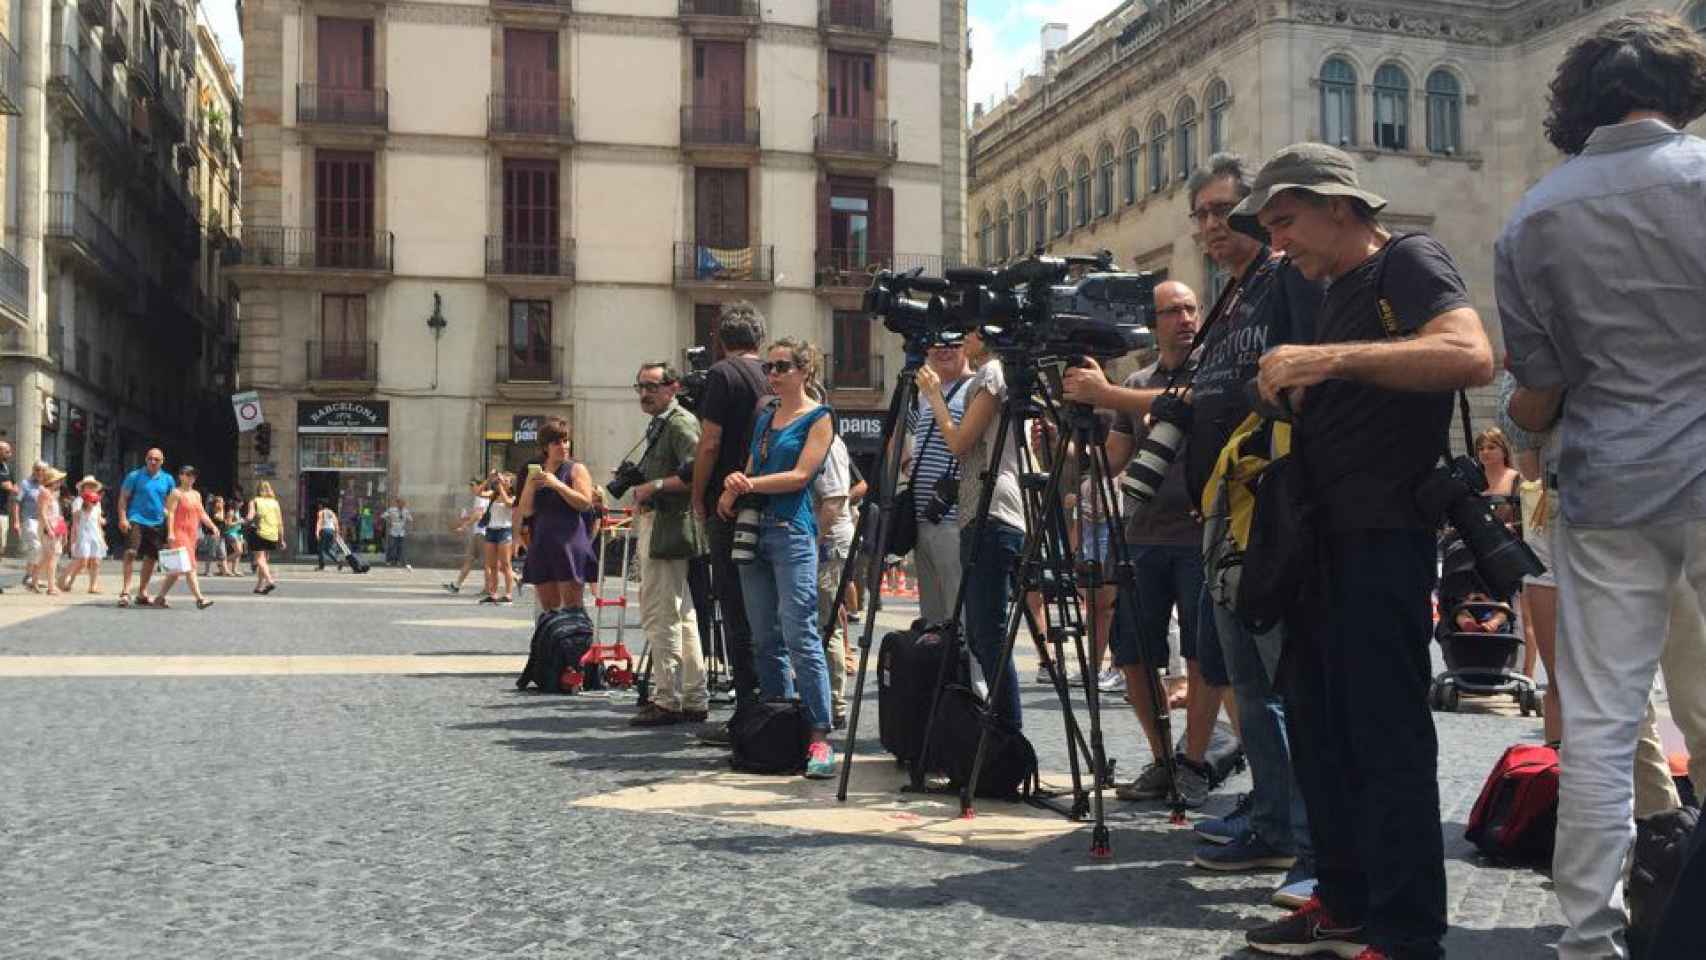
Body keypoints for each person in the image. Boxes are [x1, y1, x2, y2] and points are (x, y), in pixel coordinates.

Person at [1230, 143, 1493, 960]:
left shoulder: (1408, 259)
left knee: (1386, 732)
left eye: (1285, 221)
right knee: (1319, 728)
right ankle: (1342, 902)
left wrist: (1330, 359)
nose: (1277, 244)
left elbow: (1470, 354)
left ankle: (1407, 930)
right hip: (1320, 537)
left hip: (1383, 533)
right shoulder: (1327, 290)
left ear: (1339, 205)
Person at [1496, 15, 1706, 957]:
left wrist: (1527, 421)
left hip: (1610, 485)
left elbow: (1536, 395)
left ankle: (1586, 934)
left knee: (1603, 717)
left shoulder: (1534, 214)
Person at [717, 338, 837, 778]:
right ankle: (779, 726)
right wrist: (735, 483)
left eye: (782, 366)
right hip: (755, 533)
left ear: (805, 371)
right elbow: (753, 466)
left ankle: (820, 736)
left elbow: (802, 476)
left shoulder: (820, 418)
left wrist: (747, 485)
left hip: (791, 531)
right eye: (769, 367)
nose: (773, 374)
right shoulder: (765, 418)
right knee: (764, 637)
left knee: (800, 632)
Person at [917, 327, 1026, 729]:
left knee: (988, 634)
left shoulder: (992, 372)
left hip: (991, 510)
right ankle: (999, 729)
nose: (957, 340)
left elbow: (961, 443)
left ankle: (1004, 732)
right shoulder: (995, 372)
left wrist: (933, 396)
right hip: (981, 512)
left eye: (965, 332)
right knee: (982, 633)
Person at [690, 302, 772, 725]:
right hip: (772, 501)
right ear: (759, 338)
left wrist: (699, 494)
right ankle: (776, 700)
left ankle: (748, 712)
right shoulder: (775, 374)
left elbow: (709, 443)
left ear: (721, 342)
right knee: (768, 606)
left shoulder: (722, 375)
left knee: (736, 606)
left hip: (730, 503)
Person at [626, 363, 710, 727]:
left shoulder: (679, 423)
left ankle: (667, 699)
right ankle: (693, 695)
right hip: (663, 524)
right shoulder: (662, 422)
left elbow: (697, 471)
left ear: (672, 387)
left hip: (668, 526)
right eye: (639, 386)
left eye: (651, 386)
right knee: (682, 613)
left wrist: (653, 487)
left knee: (661, 613)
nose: (644, 393)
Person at [903, 332, 975, 624]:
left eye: (953, 344)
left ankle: (970, 671)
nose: (944, 351)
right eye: (936, 344)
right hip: (923, 516)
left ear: (966, 346)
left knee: (961, 613)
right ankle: (937, 669)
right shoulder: (922, 393)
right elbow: (907, 433)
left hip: (955, 517)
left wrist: (934, 396)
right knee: (932, 617)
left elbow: (965, 446)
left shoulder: (975, 389)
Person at [518, 418, 599, 614]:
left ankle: (575, 644)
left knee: (572, 607)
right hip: (543, 542)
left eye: (566, 441)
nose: (563, 446)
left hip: (569, 542)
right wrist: (530, 485)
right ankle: (550, 644)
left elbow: (585, 503)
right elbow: (526, 511)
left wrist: (558, 485)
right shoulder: (535, 469)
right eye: (557, 442)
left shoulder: (576, 469)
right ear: (546, 447)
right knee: (549, 609)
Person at [813, 431, 857, 727]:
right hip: (829, 540)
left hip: (827, 542)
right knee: (830, 620)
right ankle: (830, 699)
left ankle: (834, 702)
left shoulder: (825, 440)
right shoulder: (827, 439)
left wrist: (811, 540)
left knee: (826, 624)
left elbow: (834, 500)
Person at [156, 465, 220, 610]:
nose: (191, 478)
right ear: (181, 476)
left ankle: (160, 598)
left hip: (192, 534)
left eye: (193, 475)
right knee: (190, 567)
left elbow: (202, 513)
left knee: (175, 572)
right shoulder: (176, 493)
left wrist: (212, 526)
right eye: (188, 474)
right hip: (179, 533)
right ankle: (199, 599)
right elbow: (171, 513)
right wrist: (170, 532)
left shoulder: (196, 494)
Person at [117, 448, 175, 608]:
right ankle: (126, 591)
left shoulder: (168, 479)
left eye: (156, 459)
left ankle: (142, 592)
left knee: (151, 557)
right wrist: (122, 518)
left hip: (157, 522)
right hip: (136, 518)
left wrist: (171, 524)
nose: (153, 461)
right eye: (150, 458)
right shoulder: (134, 476)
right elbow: (123, 498)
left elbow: (171, 504)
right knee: (130, 553)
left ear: (162, 461)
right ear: (145, 459)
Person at [56, 476, 107, 593]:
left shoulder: (97, 502)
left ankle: (93, 585)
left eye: (93, 486)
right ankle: (65, 579)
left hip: (95, 534)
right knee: (81, 560)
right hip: (83, 534)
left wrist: (102, 537)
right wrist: (72, 538)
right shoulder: (78, 501)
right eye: (88, 486)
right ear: (83, 488)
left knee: (96, 560)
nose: (90, 488)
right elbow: (75, 521)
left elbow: (98, 521)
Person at [444, 478, 491, 595]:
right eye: (470, 485)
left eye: (473, 485)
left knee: (487, 563)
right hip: (478, 532)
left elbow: (478, 515)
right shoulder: (482, 497)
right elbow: (478, 514)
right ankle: (456, 585)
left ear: (480, 485)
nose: (471, 488)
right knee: (470, 559)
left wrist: (464, 525)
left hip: (482, 533)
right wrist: (467, 517)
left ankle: (489, 588)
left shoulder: (481, 498)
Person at [478, 473, 517, 604]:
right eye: (502, 479)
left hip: (504, 531)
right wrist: (489, 479)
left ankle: (508, 594)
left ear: (511, 484)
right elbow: (478, 493)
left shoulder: (513, 497)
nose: (503, 481)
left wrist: (500, 487)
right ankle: (493, 593)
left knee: (506, 564)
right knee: (492, 565)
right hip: (491, 530)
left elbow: (507, 503)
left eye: (506, 480)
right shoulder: (493, 494)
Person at [1474, 428, 1522, 527]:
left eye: (1491, 447)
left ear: (1504, 451)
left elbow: (1528, 518)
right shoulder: (1470, 480)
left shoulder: (1517, 479)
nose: (1485, 452)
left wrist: (1512, 526)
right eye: (1481, 449)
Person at [30, 468, 67, 594]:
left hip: (54, 526)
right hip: (49, 528)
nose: (60, 482)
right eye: (58, 480)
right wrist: (49, 528)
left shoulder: (51, 493)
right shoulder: (45, 493)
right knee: (52, 557)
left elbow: (53, 513)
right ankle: (51, 586)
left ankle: (34, 578)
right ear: (53, 481)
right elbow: (42, 513)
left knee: (47, 557)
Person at [245, 481, 284, 595]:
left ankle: (270, 580)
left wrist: (244, 520)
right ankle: (259, 586)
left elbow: (250, 516)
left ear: (257, 490)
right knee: (264, 561)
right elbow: (280, 523)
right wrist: (281, 540)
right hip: (272, 534)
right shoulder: (275, 503)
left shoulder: (254, 501)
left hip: (259, 532)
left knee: (259, 559)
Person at [18, 460, 44, 589]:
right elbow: (17, 501)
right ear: (33, 470)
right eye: (37, 469)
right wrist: (17, 521)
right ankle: (29, 575)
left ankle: (33, 576)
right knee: (35, 546)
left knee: (41, 549)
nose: (40, 472)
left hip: (43, 520)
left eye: (42, 470)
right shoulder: (25, 484)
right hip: (29, 519)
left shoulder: (45, 485)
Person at [198, 495, 227, 576]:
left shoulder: (220, 510)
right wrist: (222, 509)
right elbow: (220, 518)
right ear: (216, 503)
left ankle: (223, 570)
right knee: (211, 553)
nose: (223, 503)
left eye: (222, 502)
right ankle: (207, 571)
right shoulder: (214, 511)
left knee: (222, 553)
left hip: (220, 535)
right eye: (221, 502)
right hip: (212, 535)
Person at [0, 440, 15, 591]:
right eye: (6, 451)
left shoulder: (8, 468)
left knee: (1, 547)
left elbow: (13, 486)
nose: (9, 454)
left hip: (3, 512)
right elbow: (8, 486)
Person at [383, 498, 413, 568]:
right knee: (391, 546)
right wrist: (389, 521)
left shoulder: (405, 511)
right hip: (393, 531)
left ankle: (398, 561)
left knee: (400, 547)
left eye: (403, 504)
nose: (402, 505)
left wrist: (407, 526)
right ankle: (389, 560)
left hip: (401, 532)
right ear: (397, 503)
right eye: (400, 503)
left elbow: (410, 519)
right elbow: (384, 516)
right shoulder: (392, 510)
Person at [314, 502, 341, 570]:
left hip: (324, 531)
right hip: (331, 531)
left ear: (322, 506)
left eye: (319, 506)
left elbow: (319, 522)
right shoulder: (332, 512)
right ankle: (338, 561)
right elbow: (336, 523)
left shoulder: (321, 512)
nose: (318, 507)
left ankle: (321, 566)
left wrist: (317, 532)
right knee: (327, 549)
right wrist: (337, 533)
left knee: (320, 549)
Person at [222, 504, 245, 578]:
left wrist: (241, 534)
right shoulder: (231, 512)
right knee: (239, 551)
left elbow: (239, 526)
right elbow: (228, 524)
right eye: (240, 502)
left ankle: (234, 570)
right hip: (230, 532)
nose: (242, 504)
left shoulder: (238, 511)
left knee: (238, 553)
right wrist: (239, 522)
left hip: (238, 532)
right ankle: (222, 563)